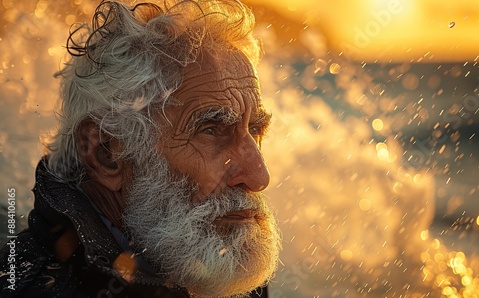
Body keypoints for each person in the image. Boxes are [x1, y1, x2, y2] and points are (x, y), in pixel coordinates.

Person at [0, 0, 281, 297]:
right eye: (210, 130)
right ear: (107, 154)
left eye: (254, 129)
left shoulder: (222, 267)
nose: (259, 177)